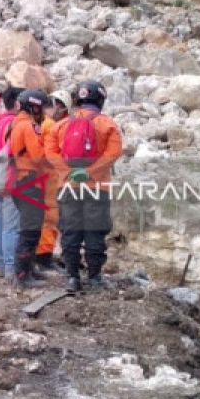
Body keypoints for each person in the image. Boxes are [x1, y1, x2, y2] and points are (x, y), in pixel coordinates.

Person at [46, 81, 123, 293]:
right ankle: (95, 278)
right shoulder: (108, 124)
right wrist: (90, 172)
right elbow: (113, 154)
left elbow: (50, 153)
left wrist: (68, 172)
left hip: (67, 187)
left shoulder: (60, 126)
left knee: (70, 232)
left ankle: (72, 277)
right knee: (95, 232)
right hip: (98, 188)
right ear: (100, 100)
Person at [7, 89, 50, 287]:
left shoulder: (15, 124)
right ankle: (23, 275)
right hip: (29, 181)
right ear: (33, 107)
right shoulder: (27, 126)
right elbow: (38, 156)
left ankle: (27, 268)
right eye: (40, 108)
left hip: (19, 180)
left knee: (31, 226)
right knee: (30, 229)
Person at [36, 90, 72, 270]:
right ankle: (44, 256)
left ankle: (41, 253)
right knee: (50, 217)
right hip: (50, 177)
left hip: (40, 175)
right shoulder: (51, 125)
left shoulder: (41, 123)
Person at [0, 87, 22, 277]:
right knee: (12, 226)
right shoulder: (15, 124)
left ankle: (1, 264)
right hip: (11, 177)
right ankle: (11, 268)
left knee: (0, 223)